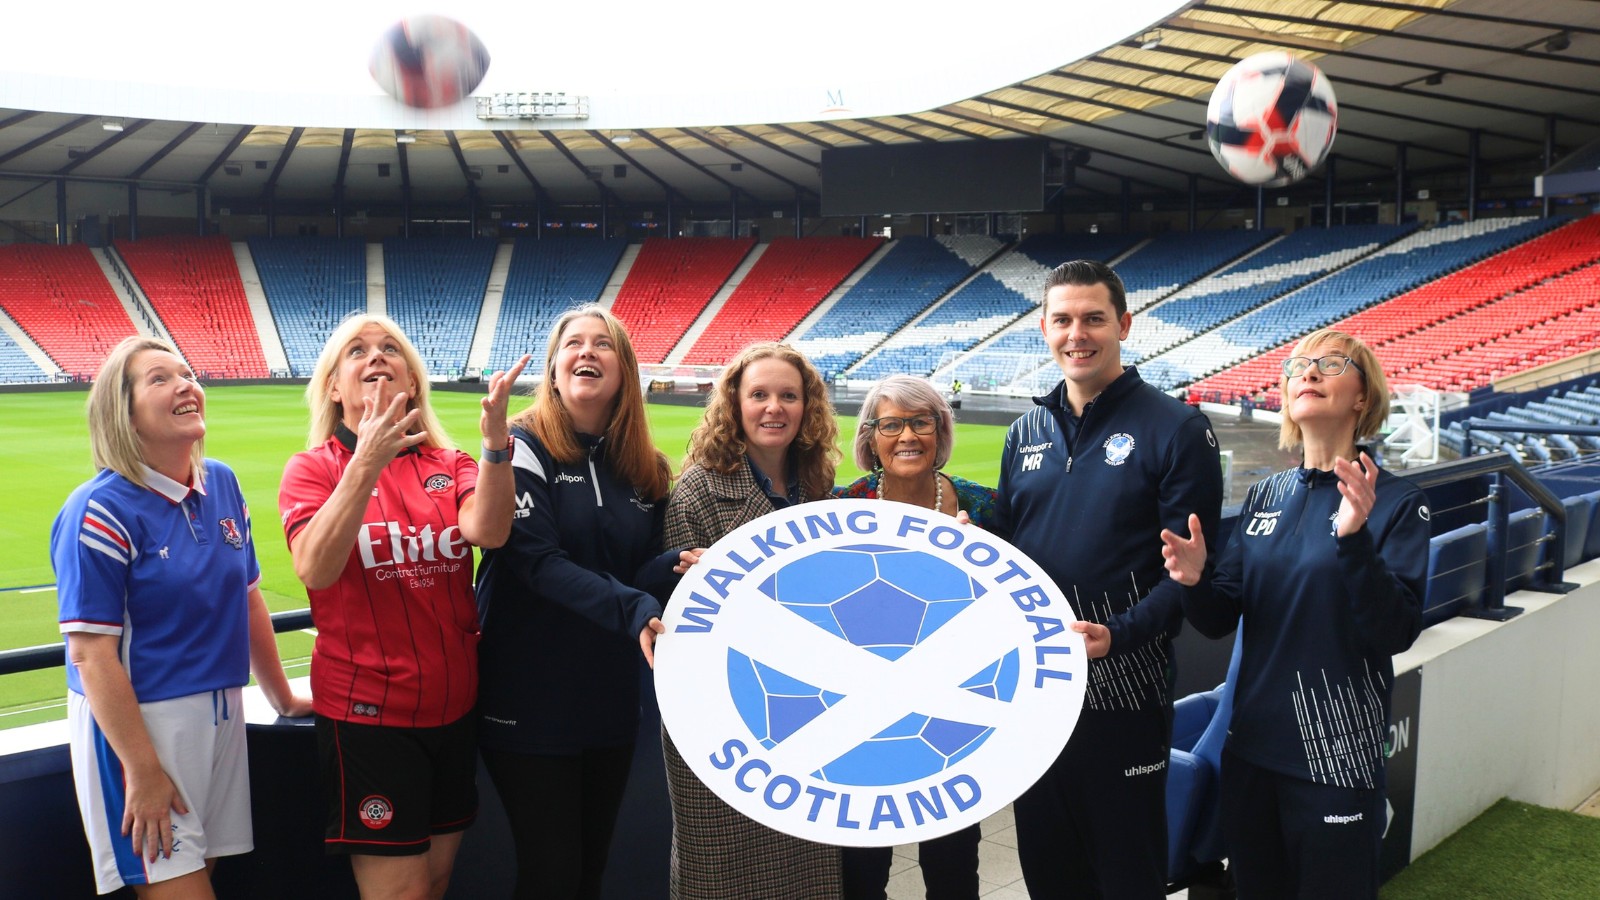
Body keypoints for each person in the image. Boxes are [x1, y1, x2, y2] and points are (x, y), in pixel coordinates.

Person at [1164, 329, 1428, 899]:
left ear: (1362, 396)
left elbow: (1397, 630)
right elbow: (1219, 616)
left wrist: (1354, 541)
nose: (1308, 373)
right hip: (1250, 752)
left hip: (1336, 759)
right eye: (1297, 366)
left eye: (1330, 364)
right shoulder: (1267, 495)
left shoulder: (1397, 502)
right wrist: (1194, 580)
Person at [994, 259, 1224, 898]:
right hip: (1038, 692)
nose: (1078, 334)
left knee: (1127, 876)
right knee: (1049, 872)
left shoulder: (1176, 429)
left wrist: (1118, 635)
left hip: (1126, 694)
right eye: (1062, 320)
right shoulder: (1024, 432)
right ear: (1044, 328)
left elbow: (1187, 577)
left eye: (1093, 319)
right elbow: (1007, 551)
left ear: (1123, 325)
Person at [278, 314, 525, 900]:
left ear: (412, 382)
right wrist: (365, 461)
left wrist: (495, 445)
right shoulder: (312, 469)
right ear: (333, 387)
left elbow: (489, 531)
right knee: (400, 892)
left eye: (391, 348)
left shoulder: (450, 463)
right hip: (369, 717)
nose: (376, 356)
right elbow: (315, 568)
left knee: (435, 881)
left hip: (454, 708)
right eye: (357, 351)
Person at [52, 336, 310, 897]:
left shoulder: (222, 482)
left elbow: (247, 597)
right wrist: (142, 769)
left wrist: (283, 698)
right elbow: (91, 655)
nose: (185, 385)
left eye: (187, 373)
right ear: (124, 413)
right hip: (143, 729)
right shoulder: (98, 510)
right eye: (160, 378)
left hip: (223, 715)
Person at [475, 306, 675, 899]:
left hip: (608, 700)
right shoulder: (521, 445)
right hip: (529, 698)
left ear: (625, 370)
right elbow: (537, 563)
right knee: (552, 875)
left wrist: (671, 564)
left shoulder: (646, 467)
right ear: (554, 369)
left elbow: (632, 574)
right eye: (573, 343)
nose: (586, 351)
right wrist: (634, 606)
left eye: (602, 344)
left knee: (588, 873)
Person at [663, 341, 843, 899]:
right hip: (725, 718)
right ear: (734, 404)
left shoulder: (819, 487)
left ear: (807, 406)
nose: (774, 408)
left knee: (807, 866)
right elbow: (680, 627)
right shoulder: (699, 489)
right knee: (720, 871)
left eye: (788, 396)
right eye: (759, 394)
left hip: (810, 710)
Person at [833, 373, 993, 900]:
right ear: (871, 437)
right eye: (891, 425)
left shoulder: (984, 507)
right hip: (864, 717)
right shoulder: (840, 507)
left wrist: (979, 566)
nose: (907, 436)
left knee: (954, 870)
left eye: (921, 422)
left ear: (940, 431)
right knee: (862, 873)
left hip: (951, 715)